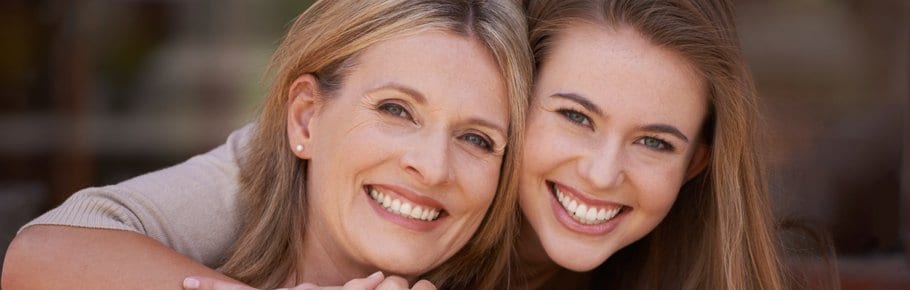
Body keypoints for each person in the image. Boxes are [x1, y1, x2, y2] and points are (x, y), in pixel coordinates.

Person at [5, 0, 791, 289]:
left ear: (698, 162)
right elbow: (49, 252)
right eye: (575, 117)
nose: (601, 169)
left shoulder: (693, 259)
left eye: (654, 140)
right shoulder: (309, 167)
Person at [1, 0, 532, 289]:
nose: (433, 166)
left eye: (476, 139)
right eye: (396, 110)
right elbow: (41, 254)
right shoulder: (246, 181)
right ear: (304, 120)